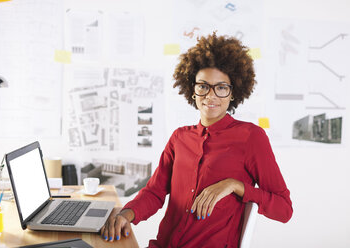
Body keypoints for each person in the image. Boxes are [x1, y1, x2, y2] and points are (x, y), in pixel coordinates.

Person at [101, 32, 293, 248]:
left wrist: (235, 186)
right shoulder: (179, 138)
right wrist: (126, 215)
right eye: (203, 86)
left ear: (232, 93)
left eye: (221, 88)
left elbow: (284, 209)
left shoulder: (250, 137)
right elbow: (154, 192)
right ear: (192, 89)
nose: (210, 96)